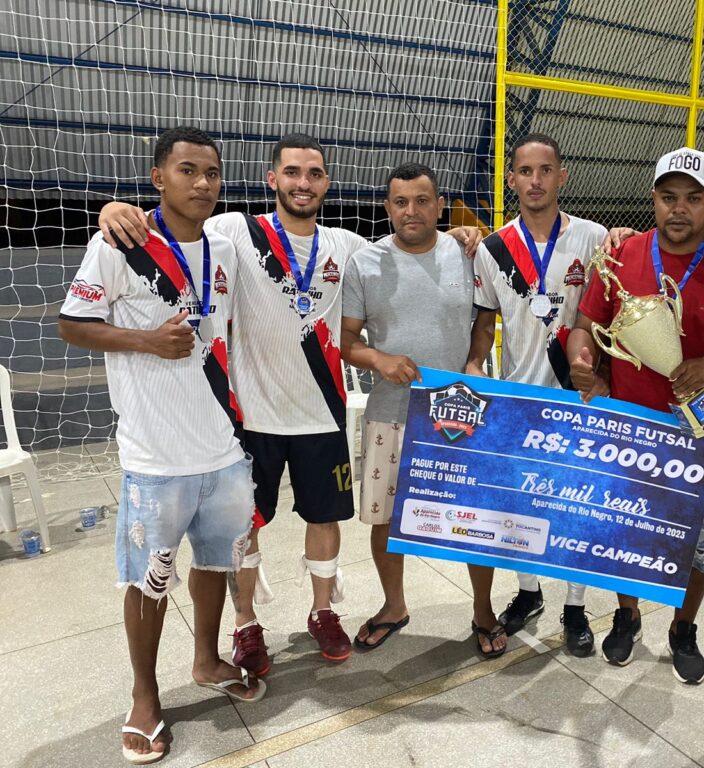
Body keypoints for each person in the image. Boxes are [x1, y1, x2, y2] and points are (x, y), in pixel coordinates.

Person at [97, 135, 482, 674]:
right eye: (293, 172)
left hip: (322, 412)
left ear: (327, 183)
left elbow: (404, 243)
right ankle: (246, 622)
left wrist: (458, 233)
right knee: (245, 527)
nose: (304, 183)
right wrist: (120, 210)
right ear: (272, 179)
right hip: (252, 417)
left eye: (315, 174)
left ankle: (323, 612)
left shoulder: (347, 246)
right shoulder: (234, 231)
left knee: (325, 518)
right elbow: (177, 221)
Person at [58, 127, 264, 765]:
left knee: (216, 563)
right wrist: (148, 341)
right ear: (158, 178)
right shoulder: (119, 243)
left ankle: (206, 660)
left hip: (223, 448)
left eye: (212, 172)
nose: (202, 183)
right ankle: (144, 696)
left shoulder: (224, 245)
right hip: (154, 455)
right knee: (149, 579)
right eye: (187, 170)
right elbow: (73, 324)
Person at [567, 146, 704, 684]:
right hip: (630, 427)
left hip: (703, 432)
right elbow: (586, 326)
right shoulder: (623, 254)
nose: (679, 209)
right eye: (669, 197)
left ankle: (683, 627)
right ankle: (628, 616)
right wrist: (583, 362)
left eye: (693, 199)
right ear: (653, 198)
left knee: (699, 544)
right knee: (625, 531)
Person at [340, 163, 507, 657]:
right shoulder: (365, 263)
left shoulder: (468, 254)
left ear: (439, 206)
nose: (411, 211)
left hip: (461, 411)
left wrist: (474, 362)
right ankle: (394, 606)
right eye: (400, 202)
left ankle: (483, 609)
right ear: (387, 207)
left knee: (474, 519)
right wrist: (379, 359)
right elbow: (347, 341)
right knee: (385, 520)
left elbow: (486, 319)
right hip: (391, 411)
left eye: (421, 201)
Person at [464, 133, 608, 656]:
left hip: (578, 398)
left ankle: (575, 606)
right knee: (519, 507)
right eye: (525, 171)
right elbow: (485, 322)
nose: (536, 180)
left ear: (562, 176)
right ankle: (529, 591)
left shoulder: (594, 238)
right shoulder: (492, 249)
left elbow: (612, 311)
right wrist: (474, 366)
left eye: (545, 170)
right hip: (518, 400)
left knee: (576, 510)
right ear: (512, 179)